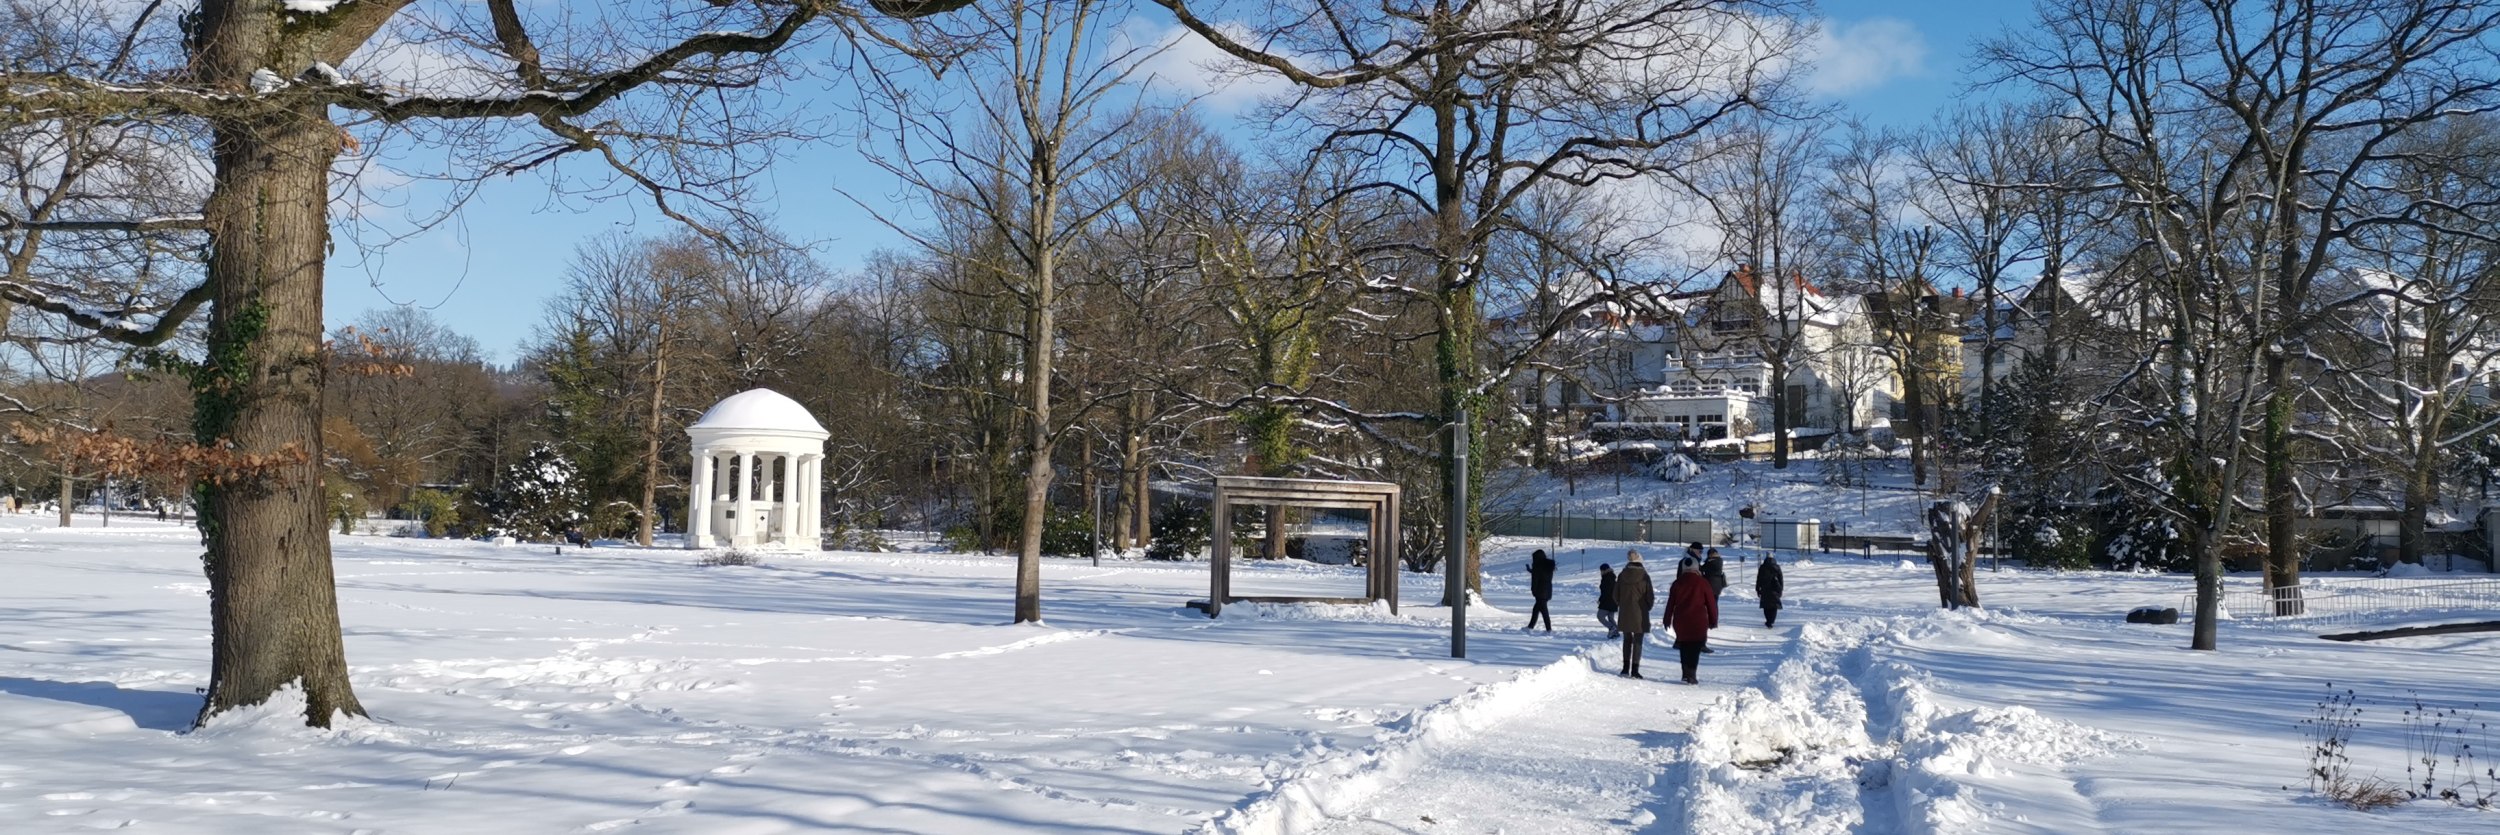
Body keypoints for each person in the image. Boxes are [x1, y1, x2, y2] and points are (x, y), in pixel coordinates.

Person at [1665, 557, 1719, 684]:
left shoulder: (1677, 583)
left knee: (1684, 646)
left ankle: (1685, 673)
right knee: (1695, 647)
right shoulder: (1703, 583)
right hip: (1698, 620)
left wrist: (1667, 619)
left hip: (1680, 620)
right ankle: (1691, 675)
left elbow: (1670, 604)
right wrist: (1713, 620)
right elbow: (1711, 603)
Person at [1614, 550, 1656, 678]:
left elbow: (1615, 594)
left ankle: (1625, 668)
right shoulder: (1644, 575)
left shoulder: (1622, 575)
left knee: (1627, 640)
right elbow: (1650, 595)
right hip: (1640, 612)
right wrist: (1646, 607)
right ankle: (1635, 670)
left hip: (1625, 611)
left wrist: (1622, 604)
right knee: (1638, 641)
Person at [1524, 549, 1557, 633]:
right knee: (1537, 609)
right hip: (1547, 591)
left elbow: (1536, 578)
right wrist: (1531, 570)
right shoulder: (1548, 566)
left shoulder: (1538, 566)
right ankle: (1531, 627)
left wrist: (1533, 590)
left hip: (1539, 591)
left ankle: (1548, 629)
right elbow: (1542, 575)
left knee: (1543, 611)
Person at [1757, 553, 1786, 627]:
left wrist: (1757, 589)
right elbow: (1781, 579)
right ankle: (1772, 620)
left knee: (1766, 606)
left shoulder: (1762, 567)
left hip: (1765, 589)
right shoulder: (1777, 567)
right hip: (1775, 589)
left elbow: (1759, 579)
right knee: (1774, 606)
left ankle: (1768, 620)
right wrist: (1781, 589)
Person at [1596, 563, 1620, 639]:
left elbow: (1605, 592)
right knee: (1611, 618)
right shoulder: (1612, 577)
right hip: (1614, 602)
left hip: (1607, 602)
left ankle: (1612, 628)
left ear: (1604, 570)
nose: (1600, 572)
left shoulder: (1606, 579)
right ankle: (1615, 633)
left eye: (1601, 571)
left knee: (1600, 616)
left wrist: (1600, 600)